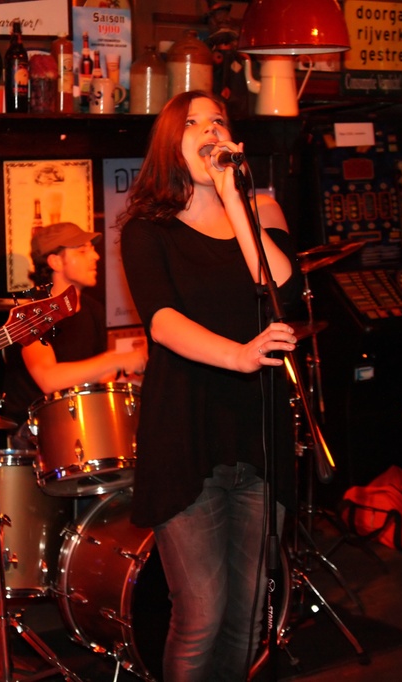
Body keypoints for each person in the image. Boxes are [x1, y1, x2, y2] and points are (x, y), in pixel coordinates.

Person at [118, 90, 302, 681]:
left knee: (249, 616)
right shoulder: (146, 230)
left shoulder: (254, 215)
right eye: (192, 123)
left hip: (258, 432)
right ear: (171, 143)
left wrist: (233, 199)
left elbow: (280, 286)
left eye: (217, 121)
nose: (208, 131)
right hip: (186, 432)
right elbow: (163, 321)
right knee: (200, 613)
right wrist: (240, 356)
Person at [1, 221, 147, 429]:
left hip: (80, 422)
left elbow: (97, 376)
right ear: (55, 262)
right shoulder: (32, 314)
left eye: (93, 250)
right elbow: (49, 379)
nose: (95, 256)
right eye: (81, 251)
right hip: (33, 430)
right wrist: (117, 360)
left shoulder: (93, 309)